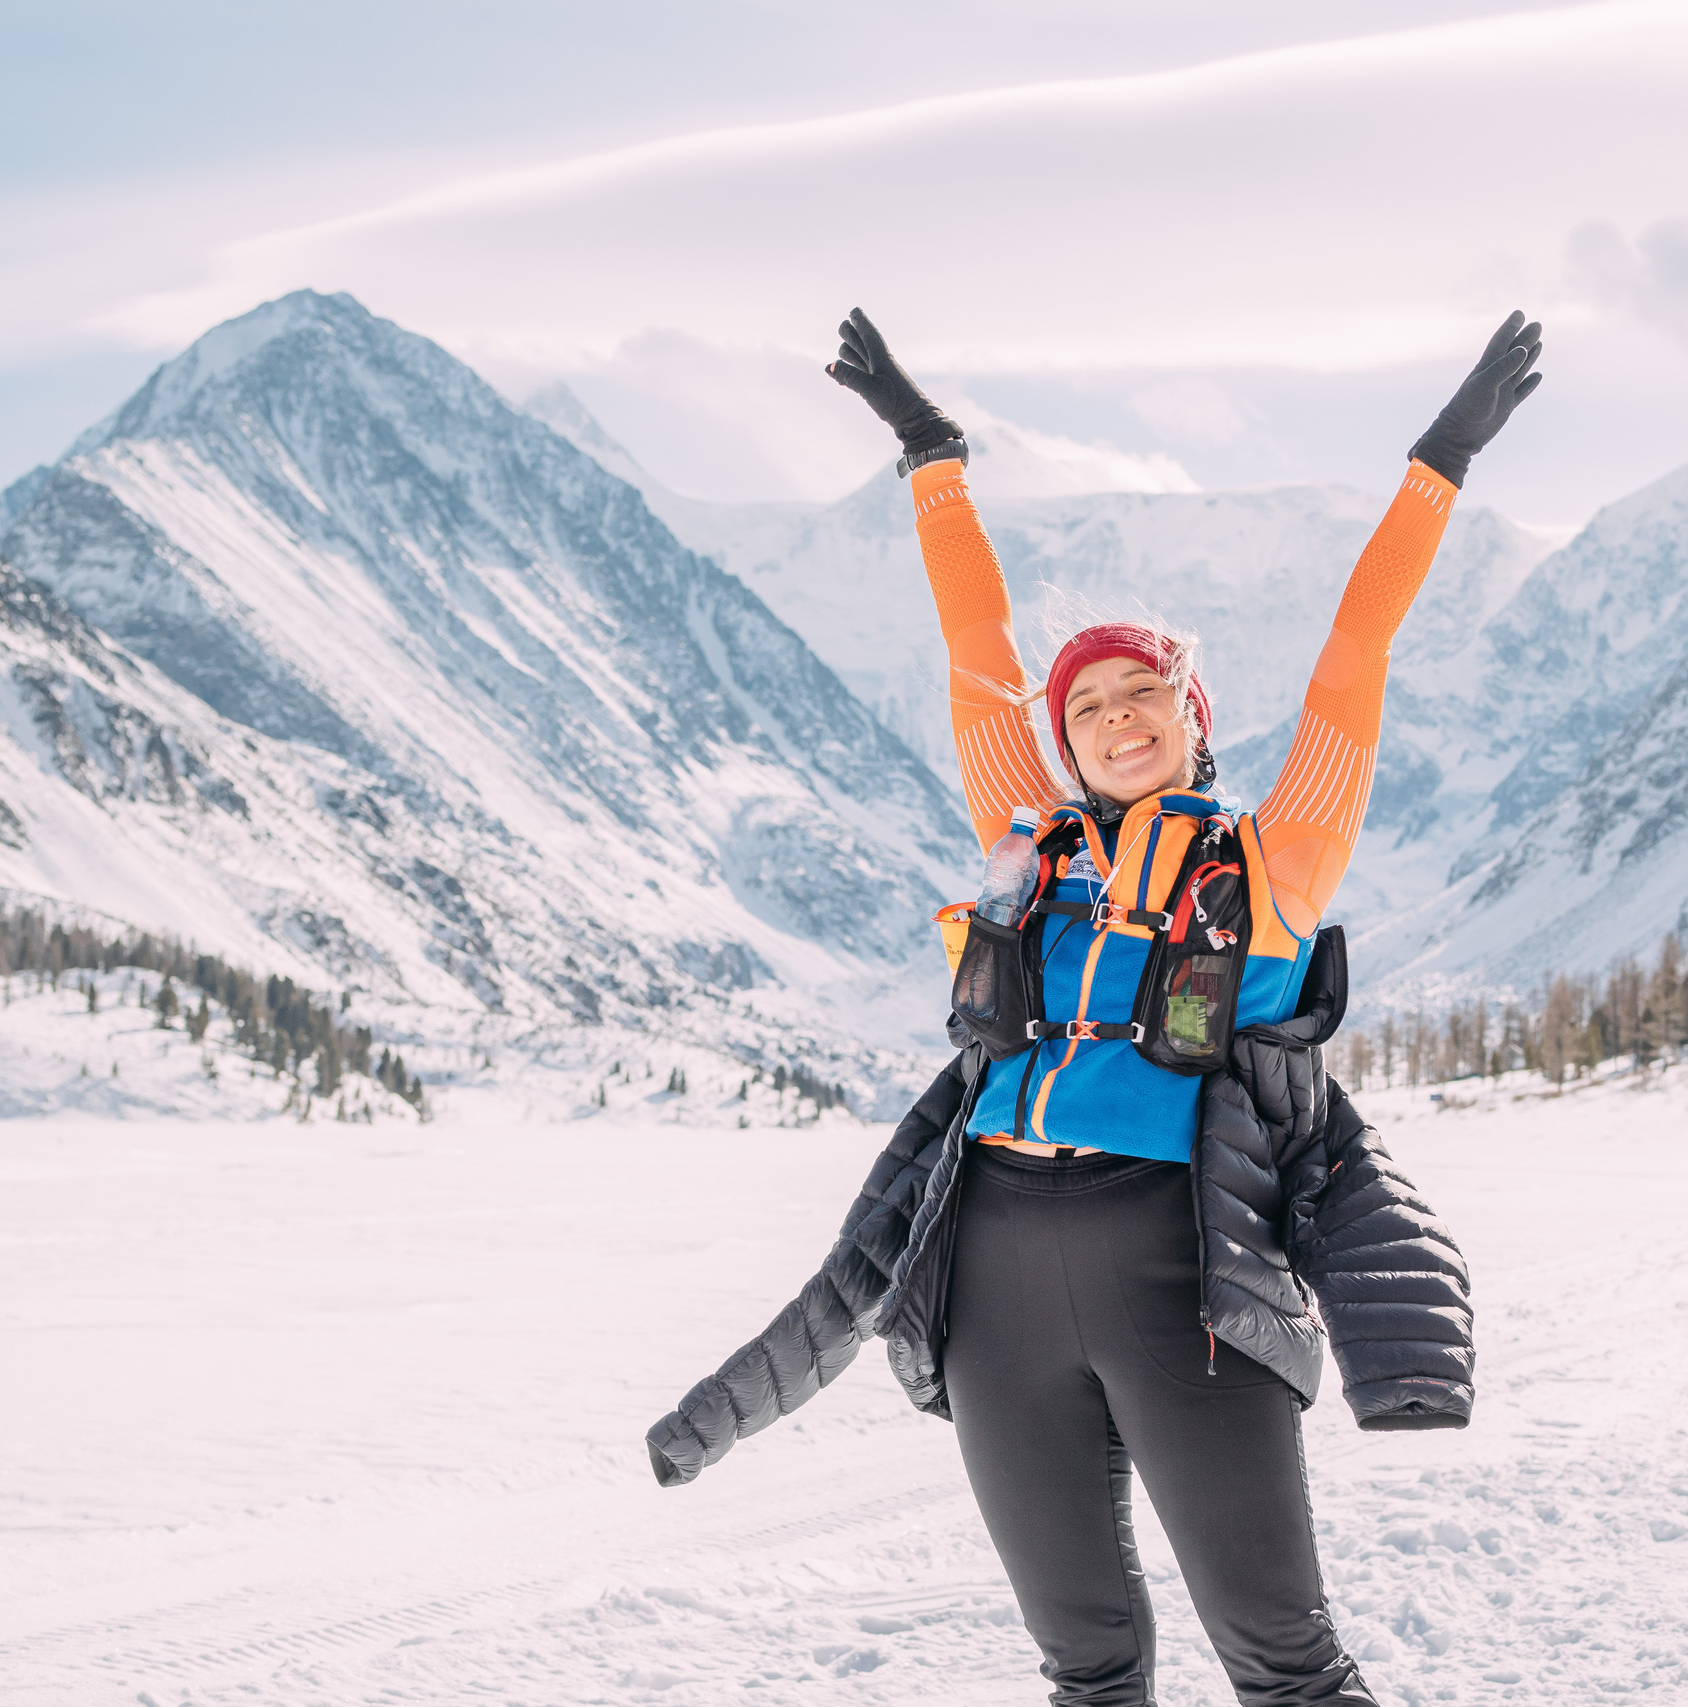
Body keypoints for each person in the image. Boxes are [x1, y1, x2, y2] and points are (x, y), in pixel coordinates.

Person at [646, 308, 1543, 1707]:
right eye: (1088, 710)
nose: (1115, 720)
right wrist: (931, 457)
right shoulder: (1027, 846)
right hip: (992, 1281)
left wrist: (1441, 459)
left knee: (1284, 1663)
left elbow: (1354, 660)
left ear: (1194, 716)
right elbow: (975, 646)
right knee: (1085, 1666)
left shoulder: (1272, 854)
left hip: (1176, 1273)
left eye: (1145, 696)